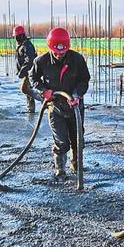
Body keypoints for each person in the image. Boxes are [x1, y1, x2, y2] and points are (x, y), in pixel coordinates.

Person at [29, 27, 90, 180]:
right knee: (61, 141)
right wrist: (43, 90)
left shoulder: (77, 60)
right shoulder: (41, 61)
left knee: (78, 140)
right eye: (56, 52)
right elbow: (33, 78)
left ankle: (76, 164)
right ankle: (60, 169)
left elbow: (84, 80)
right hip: (55, 108)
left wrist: (77, 95)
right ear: (50, 48)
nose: (59, 54)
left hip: (75, 106)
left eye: (62, 52)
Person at [14, 25, 38, 113]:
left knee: (24, 89)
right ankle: (30, 109)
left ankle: (41, 98)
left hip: (30, 72)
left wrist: (22, 71)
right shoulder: (22, 45)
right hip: (26, 72)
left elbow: (30, 60)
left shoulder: (27, 45)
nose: (15, 38)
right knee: (28, 91)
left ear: (20, 36)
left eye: (16, 36)